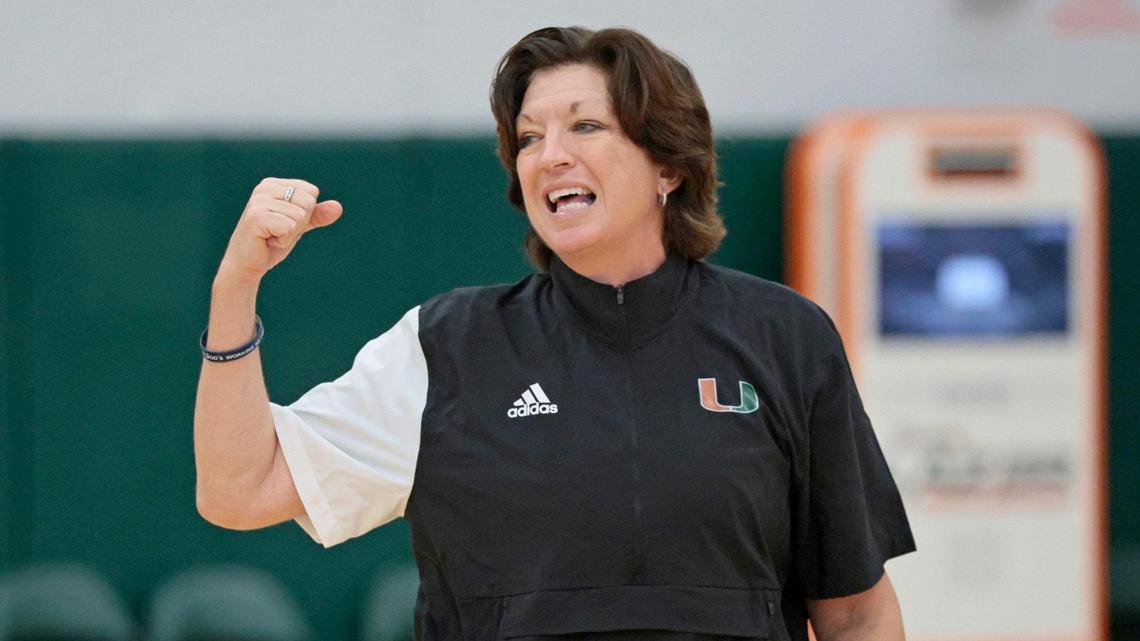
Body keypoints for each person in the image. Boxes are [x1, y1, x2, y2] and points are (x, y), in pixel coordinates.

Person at [194, 26, 915, 641]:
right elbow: (240, 489)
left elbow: (855, 611)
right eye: (530, 137)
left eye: (585, 126)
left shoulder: (786, 338)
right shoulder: (447, 345)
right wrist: (235, 288)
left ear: (667, 163)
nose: (551, 154)